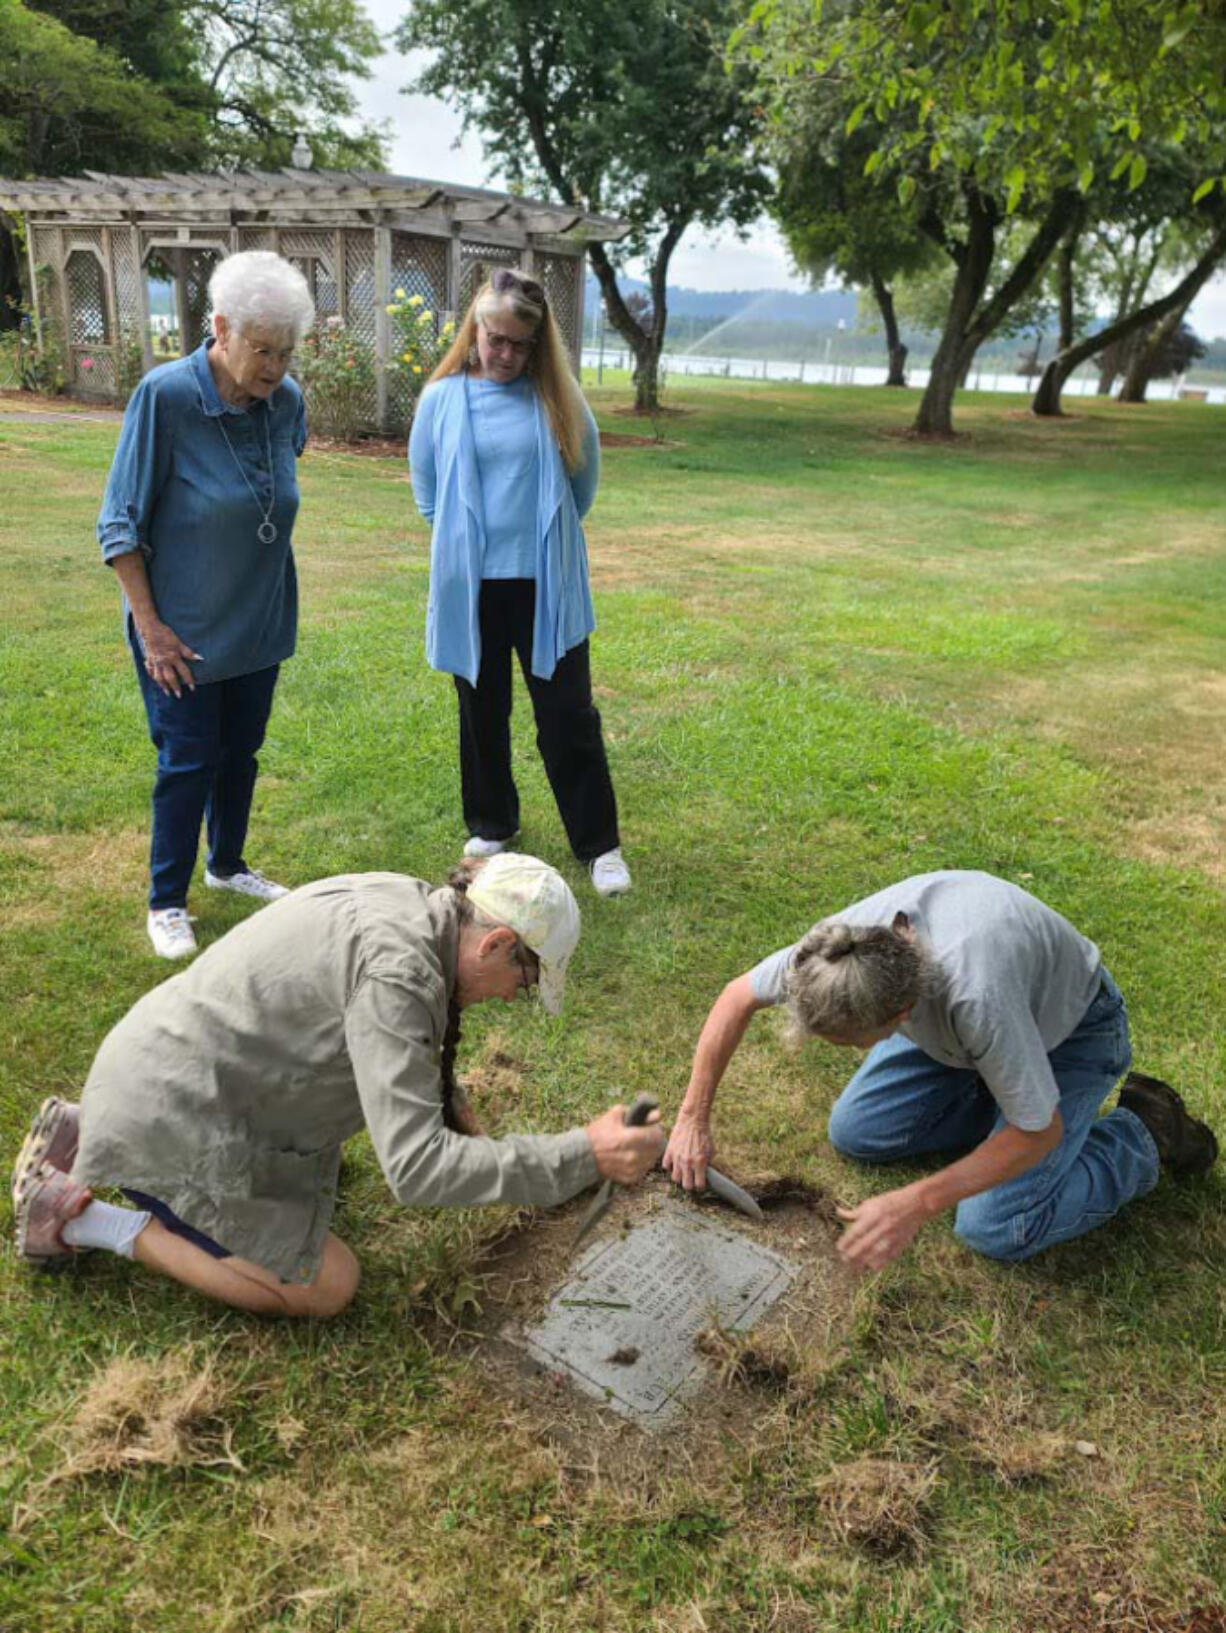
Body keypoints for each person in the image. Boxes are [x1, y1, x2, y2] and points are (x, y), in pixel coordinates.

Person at [12, 853, 666, 1317]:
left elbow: (406, 1044)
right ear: (496, 943)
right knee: (327, 1284)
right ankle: (83, 1216)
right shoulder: (398, 975)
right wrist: (584, 1152)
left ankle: (88, 1128)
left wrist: (456, 1108)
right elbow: (417, 1170)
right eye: (522, 986)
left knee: (319, 1199)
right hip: (171, 1116)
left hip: (163, 1068)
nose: (509, 998)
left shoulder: (416, 906)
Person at [663, 870, 1217, 1271]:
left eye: (850, 1042)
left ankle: (1141, 1132)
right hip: (968, 1042)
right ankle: (1003, 1094)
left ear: (900, 1015)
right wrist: (692, 1117)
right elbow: (737, 996)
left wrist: (918, 1200)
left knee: (996, 1226)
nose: (845, 1050)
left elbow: (1038, 1131)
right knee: (858, 1132)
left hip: (1070, 1034)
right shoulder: (838, 954)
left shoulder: (976, 998)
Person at [98, 250, 316, 960]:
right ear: (219, 328)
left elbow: (276, 484)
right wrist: (150, 627)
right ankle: (167, 900)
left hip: (259, 622)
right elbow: (120, 523)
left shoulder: (286, 404)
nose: (276, 367)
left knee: (240, 754)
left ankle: (227, 865)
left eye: (286, 352)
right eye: (263, 350)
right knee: (187, 760)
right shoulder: (165, 398)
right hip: (181, 632)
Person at [408, 267, 631, 899]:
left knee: (568, 716)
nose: (504, 354)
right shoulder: (442, 399)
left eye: (518, 344)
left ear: (537, 345)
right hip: (473, 587)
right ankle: (492, 823)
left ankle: (599, 845)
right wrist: (469, 547)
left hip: (546, 586)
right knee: (481, 712)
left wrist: (536, 544)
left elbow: (580, 488)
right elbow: (428, 492)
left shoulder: (558, 399)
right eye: (494, 338)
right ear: (474, 330)